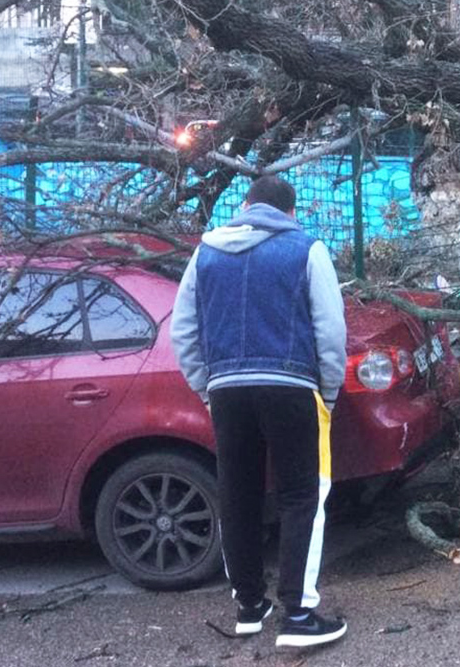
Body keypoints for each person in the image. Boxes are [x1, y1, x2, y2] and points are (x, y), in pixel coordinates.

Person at [170, 175, 347, 648]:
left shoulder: (205, 251)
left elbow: (182, 332)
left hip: (227, 390)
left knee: (238, 494)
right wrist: (327, 394)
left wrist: (208, 388)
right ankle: (298, 615)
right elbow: (331, 332)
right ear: (291, 214)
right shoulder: (307, 249)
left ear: (244, 206)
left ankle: (250, 606)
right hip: (292, 388)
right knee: (301, 494)